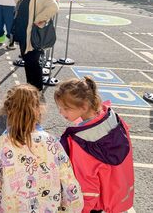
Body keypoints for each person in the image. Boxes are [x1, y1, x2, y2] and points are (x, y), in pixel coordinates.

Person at [0, 84, 83, 212]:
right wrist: (71, 208)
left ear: (8, 111)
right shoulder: (52, 142)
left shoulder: (3, 143)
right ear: (39, 110)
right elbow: (69, 181)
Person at [55, 77, 134, 213]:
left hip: (92, 204)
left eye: (66, 108)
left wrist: (81, 209)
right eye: (60, 108)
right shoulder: (113, 118)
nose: (61, 112)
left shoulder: (80, 142)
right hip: (115, 192)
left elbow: (86, 185)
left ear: (84, 106)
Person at [9, 0, 58, 90]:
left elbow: (54, 7)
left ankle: (36, 91)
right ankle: (30, 90)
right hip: (24, 36)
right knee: (29, 63)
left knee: (33, 64)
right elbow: (22, 6)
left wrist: (38, 19)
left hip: (32, 37)